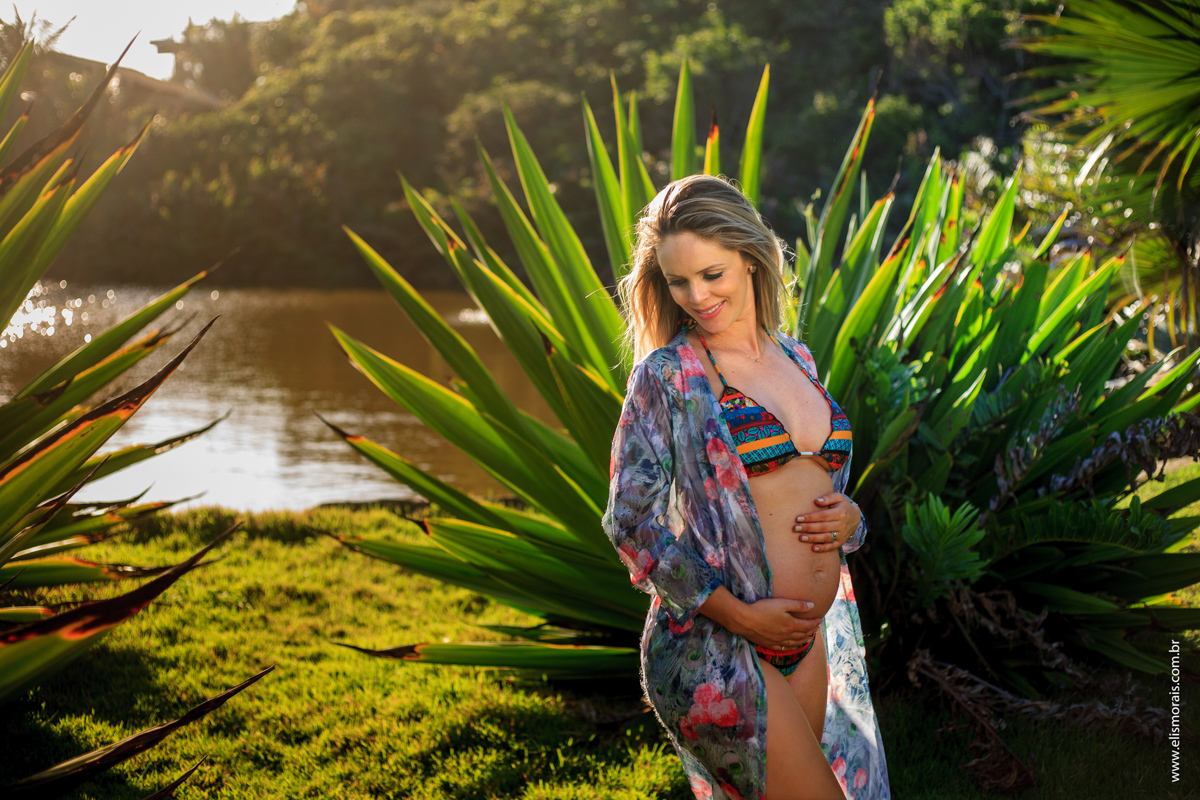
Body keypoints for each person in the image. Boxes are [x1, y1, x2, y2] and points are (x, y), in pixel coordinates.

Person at [602, 175, 891, 800]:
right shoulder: (669, 377)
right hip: (720, 645)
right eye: (678, 282)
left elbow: (818, 490)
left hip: (803, 640)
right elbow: (630, 523)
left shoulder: (798, 358)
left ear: (752, 257)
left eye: (712, 274)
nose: (696, 297)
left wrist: (850, 521)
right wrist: (740, 616)